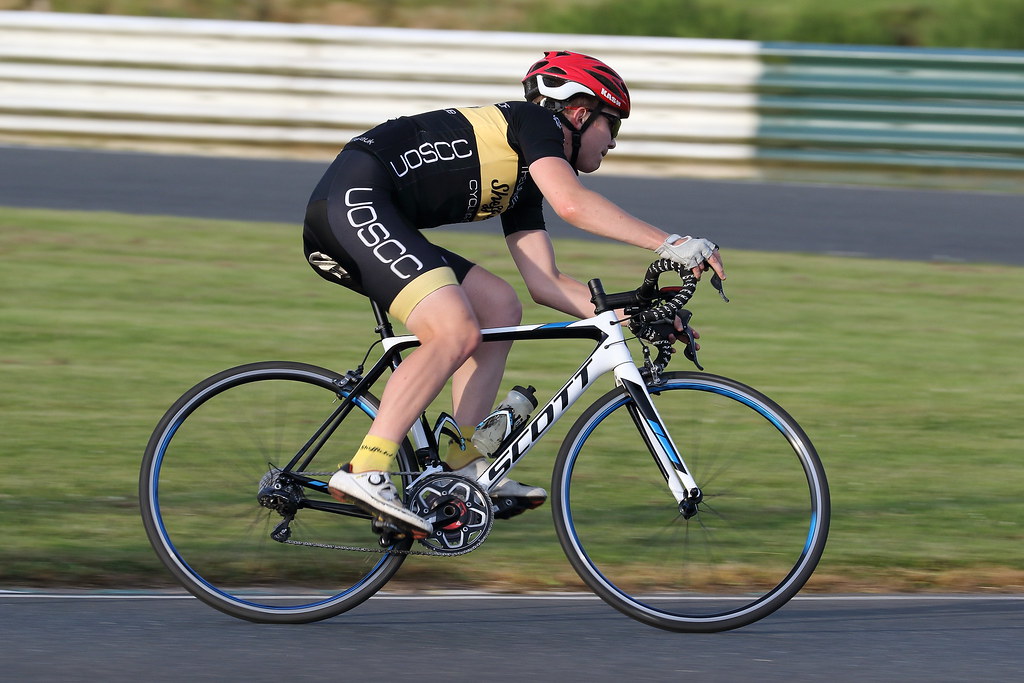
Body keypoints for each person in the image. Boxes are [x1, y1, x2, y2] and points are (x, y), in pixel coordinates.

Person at [302, 50, 726, 537]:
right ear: (581, 113)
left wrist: (640, 315)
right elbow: (573, 204)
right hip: (354, 205)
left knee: (500, 305)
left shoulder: (525, 176)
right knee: (454, 331)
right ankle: (367, 469)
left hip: (370, 212)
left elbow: (545, 283)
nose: (613, 142)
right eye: (614, 126)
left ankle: (460, 461)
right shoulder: (533, 123)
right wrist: (672, 243)